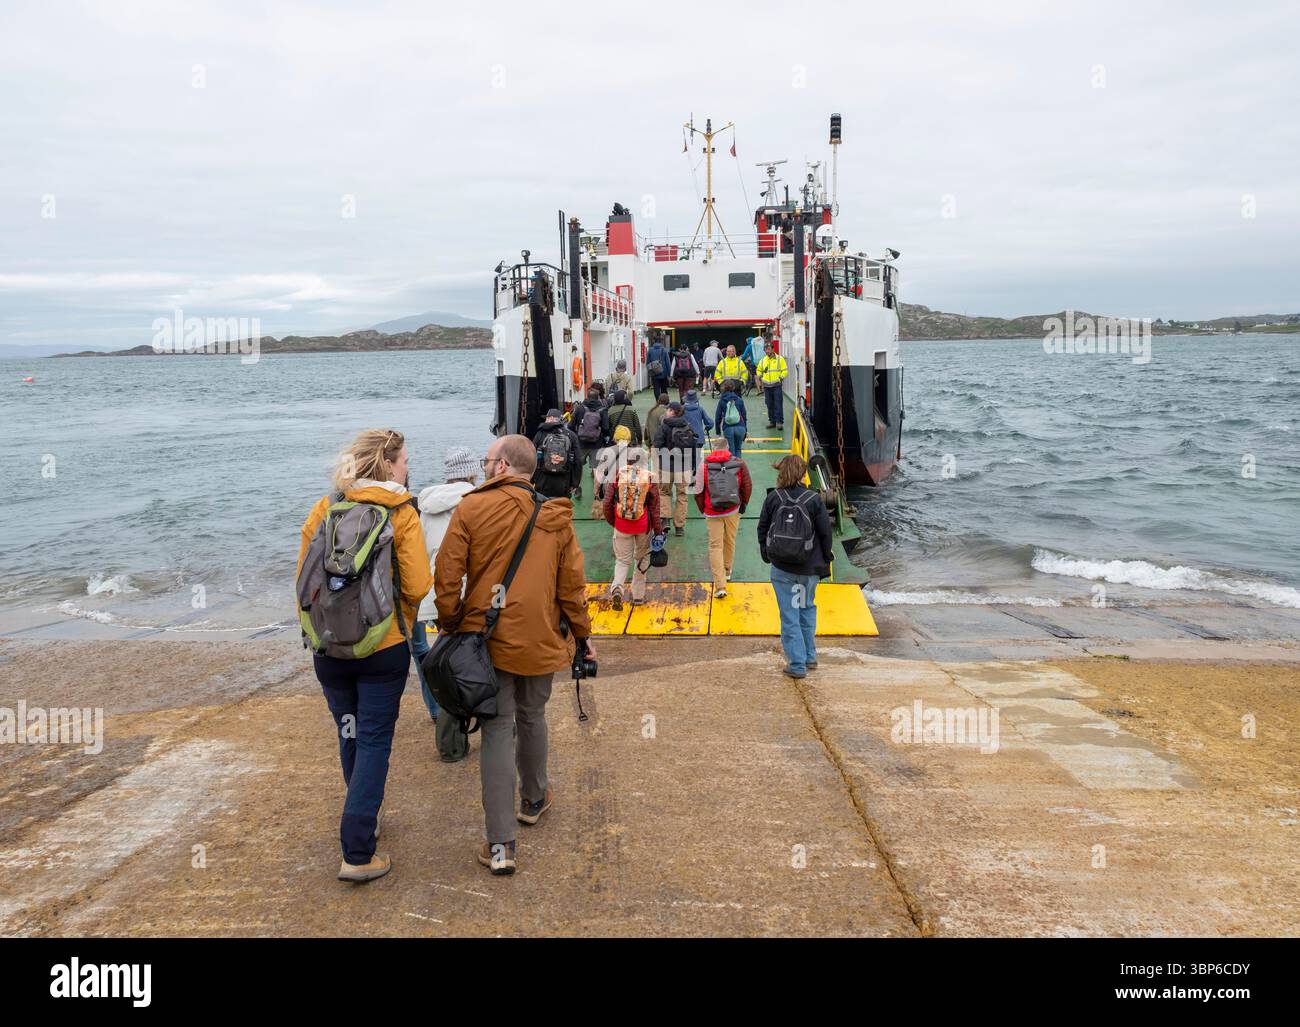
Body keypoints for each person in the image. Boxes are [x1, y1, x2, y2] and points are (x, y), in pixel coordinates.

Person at [434, 435, 594, 876]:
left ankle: (501, 845)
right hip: (540, 636)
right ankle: (534, 799)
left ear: (503, 465)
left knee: (497, 729)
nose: (484, 466)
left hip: (485, 641)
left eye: (488, 460)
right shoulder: (556, 516)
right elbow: (571, 587)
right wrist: (582, 634)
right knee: (533, 716)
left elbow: (447, 576)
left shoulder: (471, 508)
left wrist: (452, 625)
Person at [297, 428, 432, 883]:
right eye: (405, 461)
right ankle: (357, 851)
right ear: (388, 465)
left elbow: (304, 581)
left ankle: (366, 816)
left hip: (330, 647)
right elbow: (417, 585)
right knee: (374, 739)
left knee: (349, 730)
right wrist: (399, 620)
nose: (409, 468)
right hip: (384, 646)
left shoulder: (325, 508)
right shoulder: (402, 512)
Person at [412, 446, 479, 763]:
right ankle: (501, 727)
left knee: (449, 664)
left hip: (436, 599)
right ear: (471, 472)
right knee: (484, 662)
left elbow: (422, 552)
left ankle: (450, 744)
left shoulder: (426, 505)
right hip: (469, 597)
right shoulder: (476, 502)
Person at [756, 454, 834, 679]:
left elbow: (762, 528)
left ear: (781, 471)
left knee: (789, 614)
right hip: (808, 569)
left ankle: (797, 664)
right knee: (806, 608)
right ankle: (810, 657)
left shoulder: (774, 497)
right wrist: (825, 557)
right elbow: (825, 533)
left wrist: (766, 553)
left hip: (783, 569)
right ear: (802, 473)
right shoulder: (813, 499)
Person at [602, 445, 661, 609]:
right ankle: (638, 596)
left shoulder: (618, 475)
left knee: (622, 561)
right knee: (641, 559)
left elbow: (607, 503)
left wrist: (614, 522)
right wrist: (658, 531)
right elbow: (655, 508)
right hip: (643, 526)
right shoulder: (650, 478)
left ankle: (617, 589)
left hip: (622, 525)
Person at [694, 435, 752, 599]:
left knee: (715, 546)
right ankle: (727, 571)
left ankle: (720, 585)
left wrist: (703, 508)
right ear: (727, 448)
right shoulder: (739, 463)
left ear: (713, 449)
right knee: (729, 540)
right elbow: (747, 485)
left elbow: (698, 490)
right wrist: (744, 504)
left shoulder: (703, 466)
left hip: (712, 511)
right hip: (733, 509)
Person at [652, 401, 698, 536]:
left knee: (664, 492)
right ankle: (679, 527)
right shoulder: (687, 426)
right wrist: (693, 465)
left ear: (672, 411)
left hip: (666, 466)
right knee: (682, 496)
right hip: (683, 467)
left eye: (668, 410)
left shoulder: (664, 426)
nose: (666, 412)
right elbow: (693, 447)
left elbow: (658, 445)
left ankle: (665, 519)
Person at [532, 408, 583, 500]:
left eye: (546, 418)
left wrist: (532, 479)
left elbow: (531, 457)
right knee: (562, 510)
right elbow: (578, 460)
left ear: (551, 418)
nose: (546, 420)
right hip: (564, 482)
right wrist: (574, 483)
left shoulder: (539, 434)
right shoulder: (571, 435)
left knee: (543, 509)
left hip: (542, 481)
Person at [591, 424, 631, 518]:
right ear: (628, 438)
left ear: (615, 438)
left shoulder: (607, 451)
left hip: (610, 487)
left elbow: (599, 473)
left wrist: (596, 491)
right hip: (627, 488)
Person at [568, 387, 610, 471]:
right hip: (596, 444)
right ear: (598, 397)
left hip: (581, 444)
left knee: (577, 468)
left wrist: (577, 436)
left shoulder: (579, 408)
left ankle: (577, 484)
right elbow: (606, 428)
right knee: (597, 470)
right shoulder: (603, 410)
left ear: (587, 396)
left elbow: (570, 426)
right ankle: (596, 484)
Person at [754, 342, 789, 429]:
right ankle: (772, 421)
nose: (767, 351)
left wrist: (780, 378)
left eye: (769, 349)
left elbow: (785, 371)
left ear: (773, 349)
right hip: (767, 386)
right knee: (769, 404)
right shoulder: (763, 360)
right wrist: (760, 375)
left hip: (776, 385)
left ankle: (779, 422)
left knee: (778, 404)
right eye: (765, 349)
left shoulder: (780, 359)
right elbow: (758, 370)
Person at [714, 380, 748, 459]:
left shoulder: (722, 401)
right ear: (733, 388)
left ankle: (732, 469)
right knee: (738, 449)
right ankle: (739, 468)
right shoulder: (739, 400)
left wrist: (718, 432)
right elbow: (744, 416)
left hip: (728, 428)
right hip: (740, 427)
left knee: (731, 451)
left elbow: (717, 417)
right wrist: (745, 429)